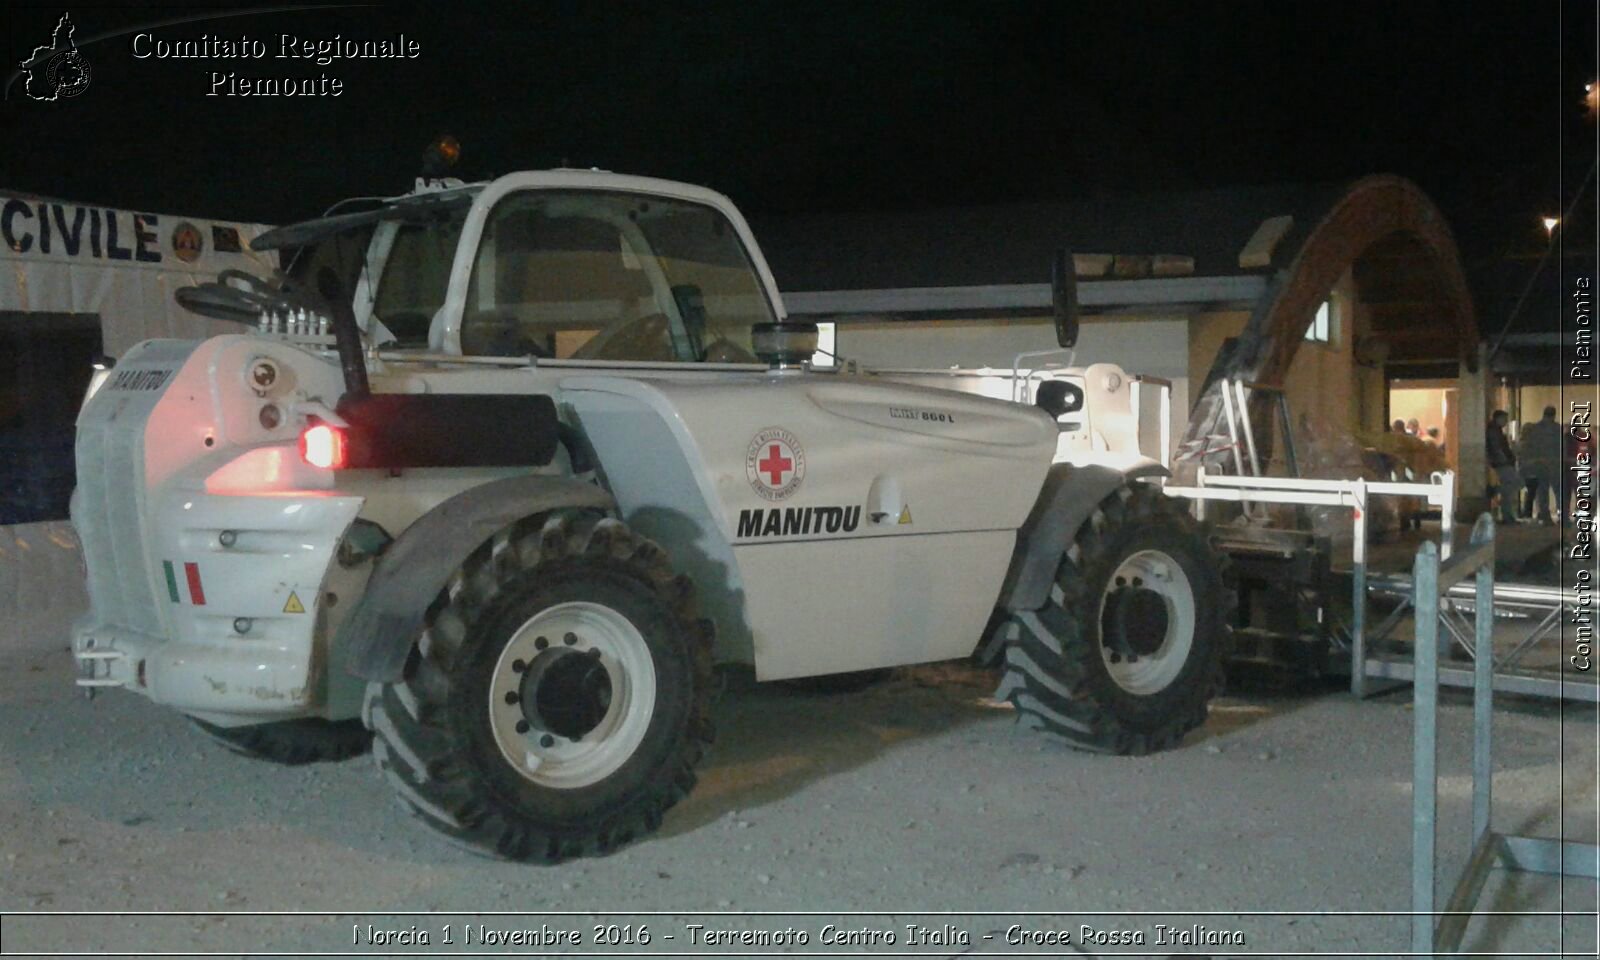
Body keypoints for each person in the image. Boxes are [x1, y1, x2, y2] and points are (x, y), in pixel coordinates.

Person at [1519, 406, 1563, 523]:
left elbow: (1532, 447)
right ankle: (1561, 515)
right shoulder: (1557, 428)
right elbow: (1562, 446)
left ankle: (1545, 516)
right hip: (1554, 463)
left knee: (1542, 492)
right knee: (1559, 491)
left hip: (1541, 464)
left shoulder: (1535, 429)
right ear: (1554, 415)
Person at [1487, 410, 1521, 524]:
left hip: (1502, 462)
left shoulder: (1496, 430)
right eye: (1504, 419)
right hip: (1502, 463)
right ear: (1498, 418)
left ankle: (1507, 515)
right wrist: (1504, 459)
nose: (1506, 422)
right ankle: (1495, 491)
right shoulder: (1494, 431)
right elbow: (1497, 447)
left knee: (1509, 489)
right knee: (1514, 484)